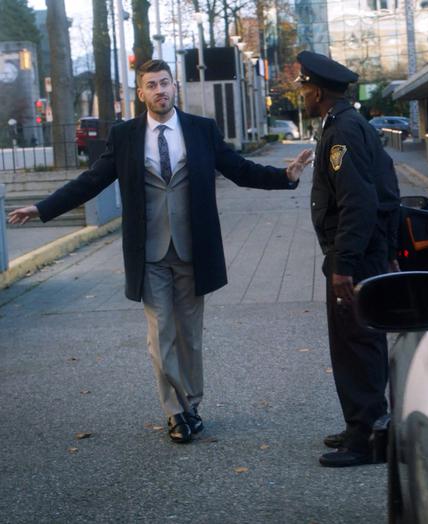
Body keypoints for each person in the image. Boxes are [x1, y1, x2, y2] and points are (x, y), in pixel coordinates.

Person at [6, 59, 311, 445]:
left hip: (193, 250)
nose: (160, 90)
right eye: (151, 85)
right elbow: (92, 181)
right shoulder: (125, 135)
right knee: (159, 335)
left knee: (190, 336)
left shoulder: (201, 131)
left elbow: (238, 168)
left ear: (175, 87)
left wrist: (284, 177)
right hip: (148, 253)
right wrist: (43, 208)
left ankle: (192, 404)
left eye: (164, 83)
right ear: (140, 93)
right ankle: (175, 412)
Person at [295, 51, 400, 467]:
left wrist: (345, 265)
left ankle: (367, 439)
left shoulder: (342, 132)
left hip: (354, 256)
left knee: (356, 344)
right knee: (357, 342)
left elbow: (359, 202)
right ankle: (362, 424)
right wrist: (386, 252)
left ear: (317, 91)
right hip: (365, 253)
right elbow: (387, 188)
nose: (301, 93)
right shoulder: (348, 125)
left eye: (304, 87)